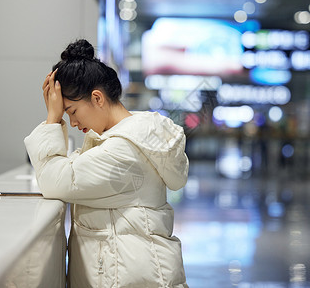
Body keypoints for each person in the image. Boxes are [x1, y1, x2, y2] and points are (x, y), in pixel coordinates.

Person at [24, 39, 189, 287]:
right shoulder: (118, 141)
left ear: (97, 98)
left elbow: (55, 181)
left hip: (129, 279)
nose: (72, 123)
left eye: (72, 111)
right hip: (129, 274)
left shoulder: (124, 150)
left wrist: (52, 119)